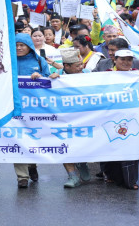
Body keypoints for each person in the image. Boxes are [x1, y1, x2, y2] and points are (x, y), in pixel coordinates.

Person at [14, 33, 53, 188]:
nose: (18, 48)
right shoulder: (8, 60)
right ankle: (22, 176)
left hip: (34, 108)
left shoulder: (39, 60)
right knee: (17, 139)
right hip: (15, 107)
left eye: (22, 45)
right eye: (16, 45)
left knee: (32, 138)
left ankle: (32, 166)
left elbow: (48, 78)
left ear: (29, 46)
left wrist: (41, 76)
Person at [49, 49, 91, 188]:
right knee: (64, 146)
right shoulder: (56, 76)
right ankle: (72, 176)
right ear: (66, 66)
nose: (81, 68)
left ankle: (82, 162)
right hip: (63, 119)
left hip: (85, 118)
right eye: (77, 66)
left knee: (83, 144)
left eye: (81, 64)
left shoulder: (89, 74)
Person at [102, 50, 139, 190]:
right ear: (115, 60)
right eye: (122, 59)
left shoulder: (138, 74)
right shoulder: (105, 74)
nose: (126, 62)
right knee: (111, 147)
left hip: (131, 118)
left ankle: (131, 181)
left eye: (129, 60)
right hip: (110, 118)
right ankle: (111, 175)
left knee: (130, 148)